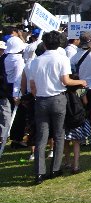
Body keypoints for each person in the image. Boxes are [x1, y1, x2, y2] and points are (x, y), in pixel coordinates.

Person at [27, 30, 87, 184]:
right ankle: (55, 168)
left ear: (45, 44)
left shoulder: (35, 61)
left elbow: (32, 86)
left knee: (42, 136)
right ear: (59, 43)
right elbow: (66, 81)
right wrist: (80, 82)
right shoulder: (62, 59)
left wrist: (39, 95)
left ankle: (39, 172)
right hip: (58, 99)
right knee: (59, 134)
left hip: (41, 99)